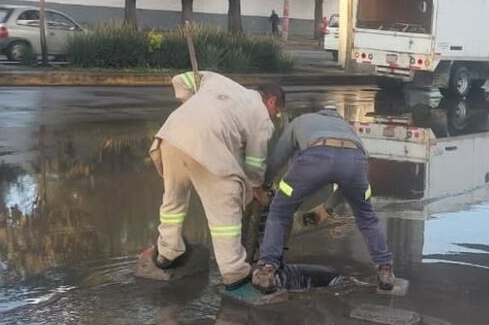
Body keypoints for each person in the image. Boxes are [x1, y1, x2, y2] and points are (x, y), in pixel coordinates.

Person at [150, 71, 285, 289]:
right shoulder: (260, 116)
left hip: (172, 135)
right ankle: (234, 270)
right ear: (271, 101)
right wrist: (256, 190)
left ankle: (167, 251)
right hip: (206, 143)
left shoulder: (220, 81)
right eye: (276, 113)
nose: (273, 117)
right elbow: (254, 162)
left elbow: (180, 79)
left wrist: (190, 103)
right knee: (226, 204)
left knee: (174, 199)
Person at [251, 105, 394, 293]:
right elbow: (347, 181)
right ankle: (385, 270)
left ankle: (266, 270)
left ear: (317, 113)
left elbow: (279, 156)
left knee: (279, 210)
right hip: (355, 162)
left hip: (315, 158)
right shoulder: (348, 129)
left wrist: (264, 184)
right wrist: (328, 206)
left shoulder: (302, 121)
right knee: (367, 217)